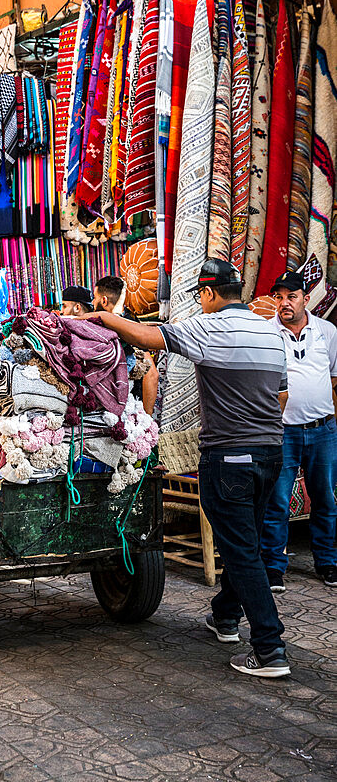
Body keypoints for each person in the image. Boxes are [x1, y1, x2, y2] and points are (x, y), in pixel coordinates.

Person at [88, 258, 291, 678]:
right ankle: (225, 617)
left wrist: (104, 316)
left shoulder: (209, 326)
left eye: (201, 296)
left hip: (229, 456)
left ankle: (270, 649)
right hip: (271, 453)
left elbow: (147, 336)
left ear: (210, 294)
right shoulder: (270, 331)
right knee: (245, 542)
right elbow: (281, 397)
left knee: (242, 551)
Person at [261, 272, 337, 591]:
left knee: (326, 499)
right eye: (278, 296)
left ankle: (328, 562)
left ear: (306, 299)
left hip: (322, 430)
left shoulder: (327, 332)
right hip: (283, 432)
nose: (284, 303)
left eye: (291, 296)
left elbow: (333, 379)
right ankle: (274, 566)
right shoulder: (265, 332)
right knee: (276, 500)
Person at [93, 275, 159, 416]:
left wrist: (146, 418)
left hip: (129, 409)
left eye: (95, 298)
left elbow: (152, 375)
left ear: (104, 300)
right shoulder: (128, 325)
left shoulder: (127, 328)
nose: (92, 303)